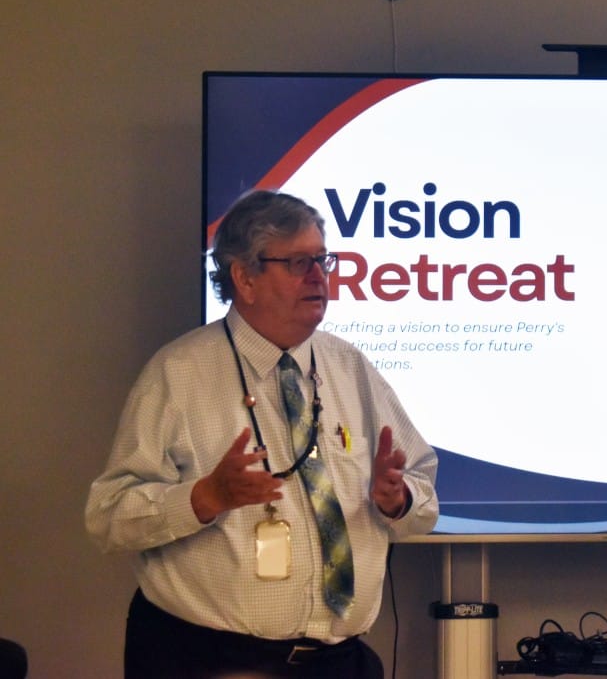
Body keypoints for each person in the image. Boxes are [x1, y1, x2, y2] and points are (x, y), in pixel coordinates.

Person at [85, 190, 439, 679]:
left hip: (338, 662)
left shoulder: (351, 367)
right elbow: (108, 515)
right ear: (244, 277)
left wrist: (397, 500)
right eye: (297, 263)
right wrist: (203, 498)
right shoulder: (178, 373)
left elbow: (422, 496)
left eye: (323, 260)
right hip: (210, 661)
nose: (318, 277)